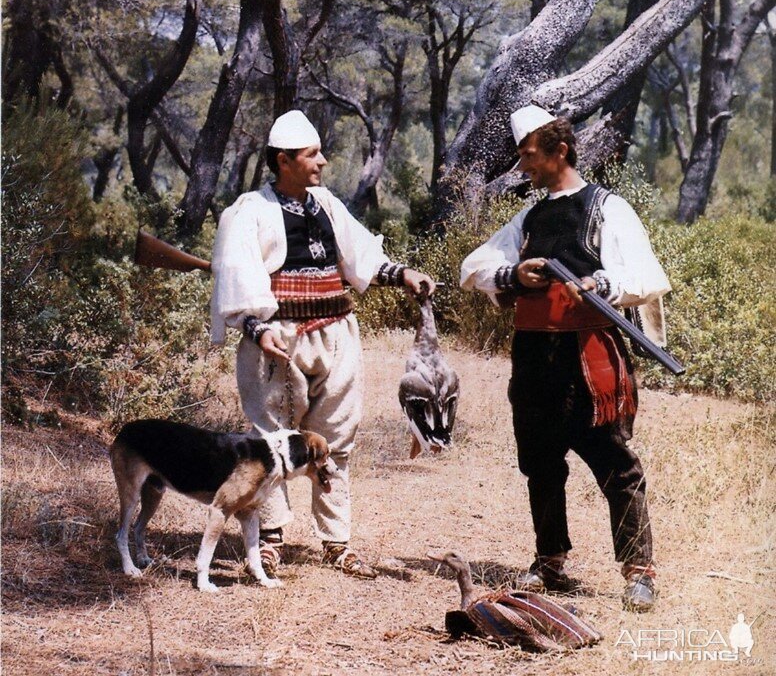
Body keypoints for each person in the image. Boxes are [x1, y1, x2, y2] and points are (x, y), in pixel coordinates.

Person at [460, 105, 671, 611]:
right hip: (533, 357)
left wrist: (603, 285)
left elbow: (645, 274)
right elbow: (477, 265)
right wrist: (515, 275)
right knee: (541, 463)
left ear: (559, 150)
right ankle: (549, 560)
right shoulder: (529, 216)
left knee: (616, 465)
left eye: (529, 154)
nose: (523, 165)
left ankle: (639, 573)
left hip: (588, 357)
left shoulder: (607, 208)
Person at [210, 110, 435, 580]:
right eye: (312, 155)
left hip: (336, 333)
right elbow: (238, 283)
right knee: (271, 441)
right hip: (278, 340)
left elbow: (361, 257)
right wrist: (258, 331)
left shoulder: (327, 204)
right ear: (284, 160)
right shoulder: (248, 212)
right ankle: (269, 538)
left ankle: (336, 541)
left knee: (336, 439)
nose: (323, 162)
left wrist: (404, 274)